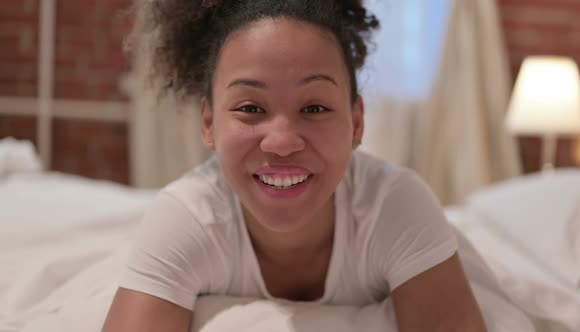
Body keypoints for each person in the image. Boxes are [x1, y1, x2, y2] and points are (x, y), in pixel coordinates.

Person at [102, 1, 487, 331]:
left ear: (356, 123)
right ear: (208, 124)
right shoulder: (187, 216)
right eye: (251, 108)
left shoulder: (396, 205)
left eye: (315, 108)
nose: (283, 142)